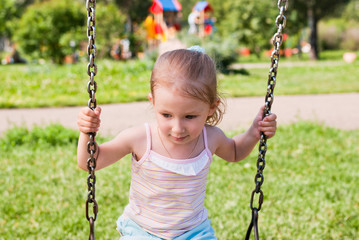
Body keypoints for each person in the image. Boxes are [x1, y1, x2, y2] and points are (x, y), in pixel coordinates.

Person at [77, 46, 277, 239]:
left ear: (211, 107)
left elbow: (235, 152)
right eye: (166, 115)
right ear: (153, 102)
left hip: (194, 232)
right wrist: (87, 132)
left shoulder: (211, 137)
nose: (178, 128)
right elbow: (90, 162)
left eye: (190, 116)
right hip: (143, 231)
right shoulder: (140, 138)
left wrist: (254, 131)